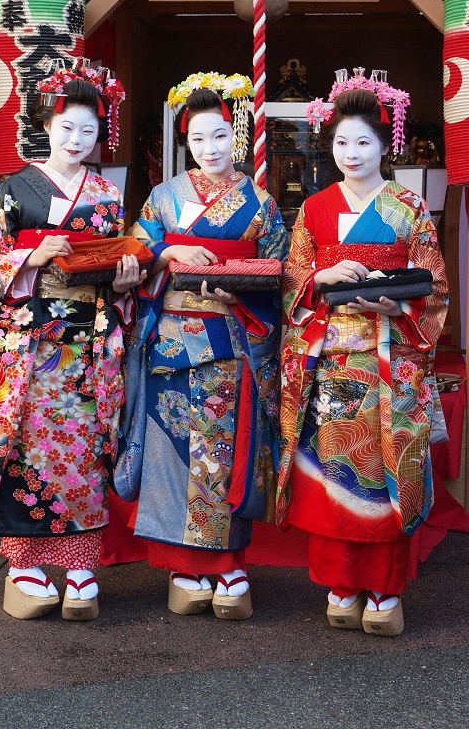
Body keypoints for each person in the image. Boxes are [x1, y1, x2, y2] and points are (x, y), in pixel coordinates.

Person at [0, 67, 145, 621]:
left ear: (99, 137)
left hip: (90, 342)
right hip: (31, 342)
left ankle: (82, 568)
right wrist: (31, 257)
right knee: (27, 445)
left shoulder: (107, 195)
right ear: (48, 127)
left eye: (88, 132)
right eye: (67, 128)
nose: (76, 141)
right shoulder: (16, 188)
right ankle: (25, 570)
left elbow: (124, 256)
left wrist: (124, 279)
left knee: (88, 445)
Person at [276, 76, 448, 636]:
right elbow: (293, 279)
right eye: (342, 144)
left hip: (391, 361)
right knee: (338, 476)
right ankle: (340, 585)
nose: (352, 155)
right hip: (334, 366)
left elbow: (435, 287)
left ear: (385, 146)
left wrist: (396, 303)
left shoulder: (408, 206)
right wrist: (322, 276)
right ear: (330, 147)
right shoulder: (315, 209)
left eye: (364, 144)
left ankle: (385, 591)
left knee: (389, 471)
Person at [125, 72, 288, 619]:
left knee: (223, 452)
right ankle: (182, 567)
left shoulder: (261, 203)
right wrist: (170, 256)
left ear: (236, 135)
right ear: (185, 142)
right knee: (173, 452)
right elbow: (137, 253)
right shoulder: (164, 197)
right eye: (197, 139)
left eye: (219, 136)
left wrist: (238, 284)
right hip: (170, 342)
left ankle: (229, 566)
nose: (209, 149)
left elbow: (282, 276)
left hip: (231, 339)